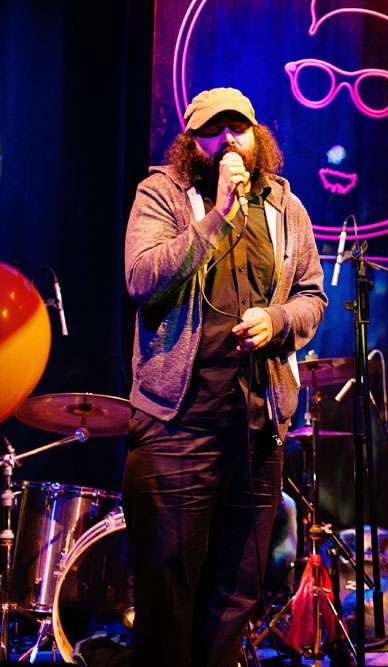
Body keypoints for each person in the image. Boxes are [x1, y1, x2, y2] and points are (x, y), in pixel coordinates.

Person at [123, 87, 327, 666]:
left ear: (258, 137)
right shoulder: (161, 193)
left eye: (238, 128)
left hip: (257, 427)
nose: (228, 140)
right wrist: (216, 216)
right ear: (192, 142)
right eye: (214, 131)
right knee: (168, 593)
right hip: (178, 426)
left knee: (237, 594)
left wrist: (278, 320)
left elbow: (312, 295)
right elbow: (142, 279)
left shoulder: (286, 208)